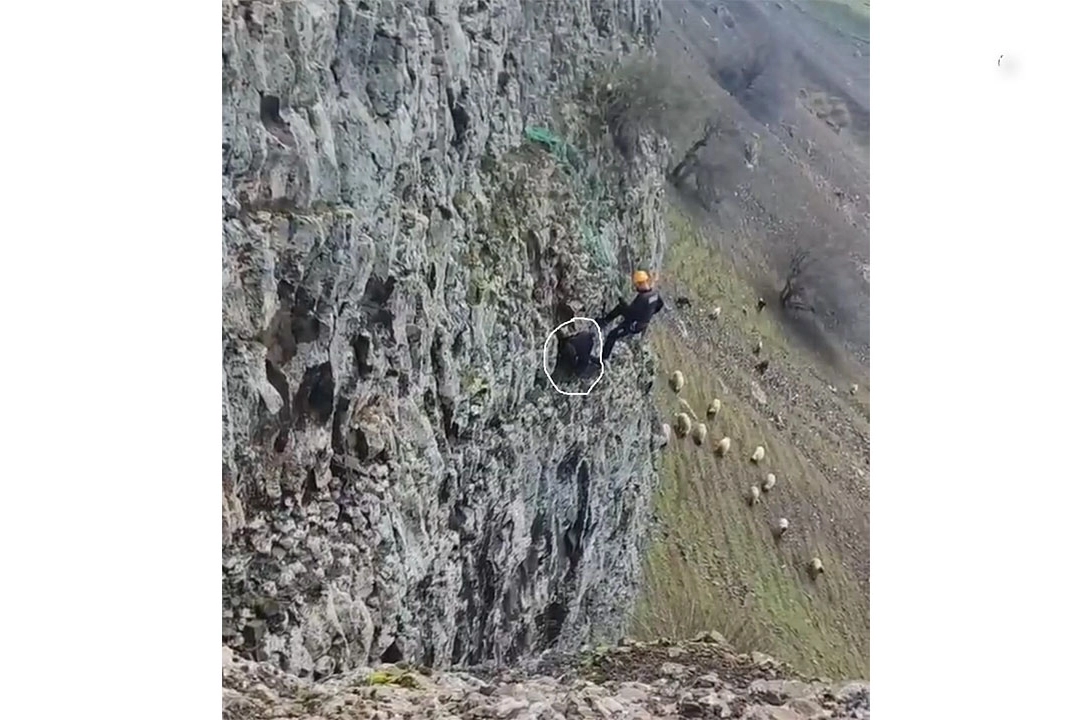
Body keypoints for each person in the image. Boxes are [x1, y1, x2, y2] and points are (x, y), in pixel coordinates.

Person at [595, 270, 665, 361]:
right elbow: (660, 304)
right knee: (620, 308)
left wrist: (622, 302)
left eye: (636, 285)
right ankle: (605, 321)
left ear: (640, 284)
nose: (636, 288)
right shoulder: (655, 294)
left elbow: (630, 314)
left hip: (634, 325)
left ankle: (603, 359)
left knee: (612, 335)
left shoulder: (642, 298)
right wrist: (649, 314)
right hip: (641, 322)